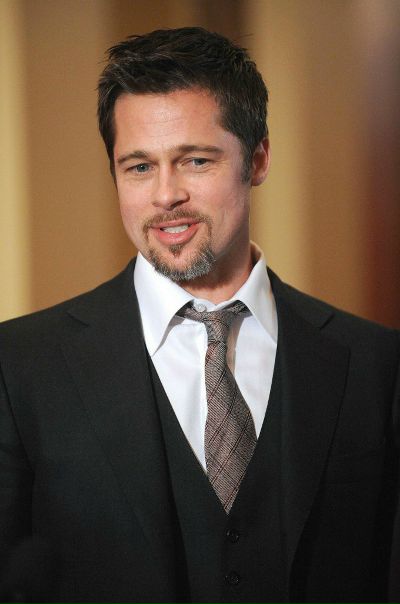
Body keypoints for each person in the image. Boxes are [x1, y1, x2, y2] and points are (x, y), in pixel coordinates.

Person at [0, 26, 399, 604]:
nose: (166, 196)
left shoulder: (375, 365)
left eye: (194, 160)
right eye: (139, 167)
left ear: (257, 159)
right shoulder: (19, 368)